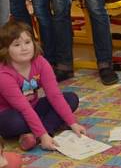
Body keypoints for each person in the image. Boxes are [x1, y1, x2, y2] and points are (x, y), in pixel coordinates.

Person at [0, 20, 83, 151]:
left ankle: (35, 135)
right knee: (15, 123)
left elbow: (54, 95)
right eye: (17, 45)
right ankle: (43, 131)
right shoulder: (3, 74)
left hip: (33, 107)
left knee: (71, 98)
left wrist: (72, 123)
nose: (24, 48)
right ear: (6, 50)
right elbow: (23, 108)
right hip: (9, 114)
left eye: (27, 42)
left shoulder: (41, 62)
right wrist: (43, 135)